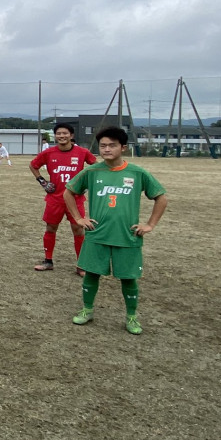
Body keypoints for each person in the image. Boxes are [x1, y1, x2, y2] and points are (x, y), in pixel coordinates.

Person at [64, 126, 167, 335]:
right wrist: (78, 218)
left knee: (128, 277)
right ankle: (87, 310)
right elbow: (69, 192)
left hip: (127, 236)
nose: (107, 149)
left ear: (123, 147)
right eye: (103, 145)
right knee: (91, 274)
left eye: (112, 145)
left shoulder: (137, 172)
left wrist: (150, 225)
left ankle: (131, 316)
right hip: (97, 234)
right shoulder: (92, 171)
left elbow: (161, 197)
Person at [30, 123, 96, 274]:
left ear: (71, 136)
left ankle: (81, 265)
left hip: (76, 199)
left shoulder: (82, 152)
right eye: (58, 133)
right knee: (51, 228)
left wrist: (86, 183)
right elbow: (33, 165)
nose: (61, 136)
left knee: (78, 230)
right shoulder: (49, 153)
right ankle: (48, 261)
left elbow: (95, 167)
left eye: (65, 133)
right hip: (55, 199)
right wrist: (43, 182)